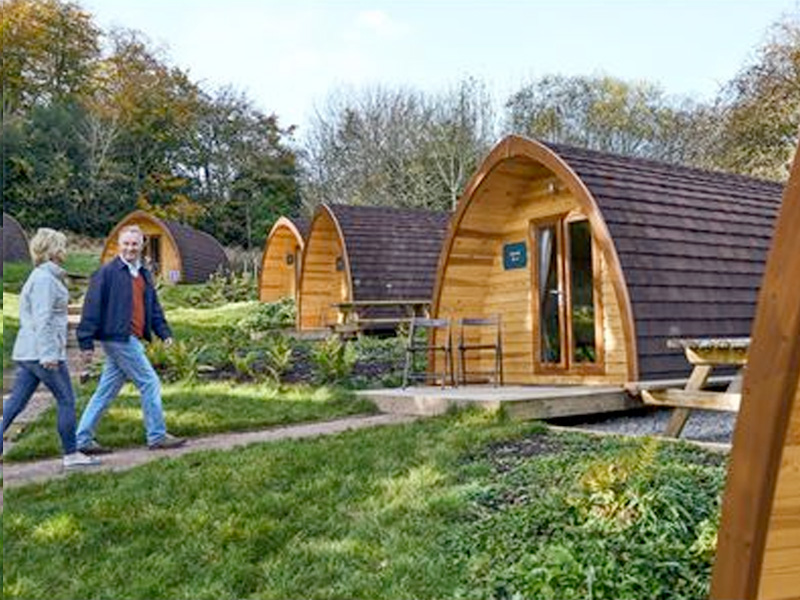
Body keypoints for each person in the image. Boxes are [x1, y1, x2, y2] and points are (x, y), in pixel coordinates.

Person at [75, 224, 186, 452]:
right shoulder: (106, 273)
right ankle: (157, 435)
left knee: (105, 391)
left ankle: (82, 439)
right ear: (119, 245)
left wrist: (164, 333)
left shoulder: (143, 274)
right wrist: (85, 341)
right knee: (149, 382)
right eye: (126, 243)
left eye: (134, 244)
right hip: (119, 338)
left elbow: (153, 309)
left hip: (130, 338)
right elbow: (91, 308)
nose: (130, 248)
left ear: (142, 245)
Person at [2, 228, 100, 469]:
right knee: (67, 399)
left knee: (16, 403)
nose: (65, 251)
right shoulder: (45, 280)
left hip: (28, 352)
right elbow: (43, 319)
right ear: (53, 250)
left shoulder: (43, 276)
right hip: (41, 353)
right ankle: (71, 454)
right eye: (62, 246)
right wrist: (48, 354)